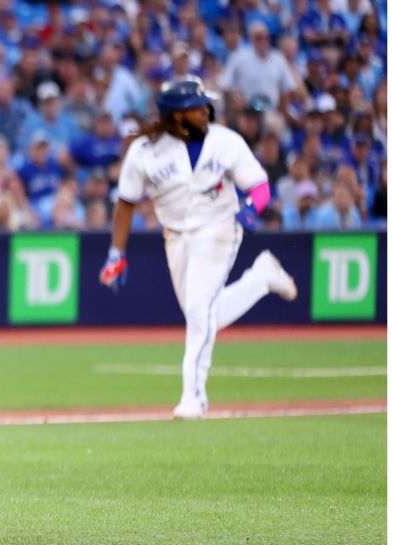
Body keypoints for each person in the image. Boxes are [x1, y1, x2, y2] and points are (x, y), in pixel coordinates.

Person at [99, 76, 297, 420]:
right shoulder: (145, 151)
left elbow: (260, 186)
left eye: (206, 105)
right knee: (202, 313)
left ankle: (193, 397)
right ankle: (261, 279)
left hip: (219, 227)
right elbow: (126, 203)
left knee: (198, 310)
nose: (206, 111)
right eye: (197, 107)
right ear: (177, 116)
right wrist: (116, 254)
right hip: (175, 235)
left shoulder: (225, 141)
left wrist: (251, 208)